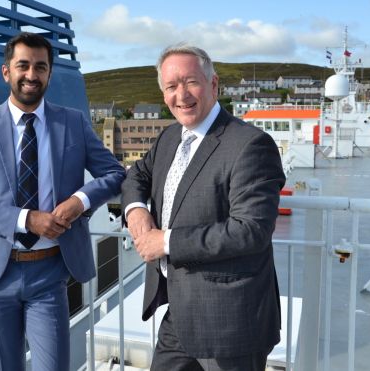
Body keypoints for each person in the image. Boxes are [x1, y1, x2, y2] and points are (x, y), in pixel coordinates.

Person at [0, 32, 125, 371]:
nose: (31, 75)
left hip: (49, 273)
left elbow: (115, 174)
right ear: (7, 72)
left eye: (40, 67)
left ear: (49, 73)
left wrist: (79, 200)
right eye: (23, 66)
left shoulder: (73, 122)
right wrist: (27, 219)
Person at [121, 43, 285, 371]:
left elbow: (251, 230)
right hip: (179, 311)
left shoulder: (250, 144)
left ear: (213, 84)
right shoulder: (170, 138)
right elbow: (136, 175)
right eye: (171, 86)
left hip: (230, 320)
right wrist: (136, 209)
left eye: (190, 82)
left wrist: (164, 241)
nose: (181, 95)